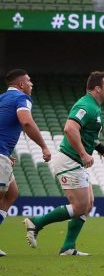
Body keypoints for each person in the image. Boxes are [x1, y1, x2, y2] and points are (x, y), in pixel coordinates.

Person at [24, 71, 104, 256]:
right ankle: (36, 222)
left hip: (75, 161)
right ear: (97, 88)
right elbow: (70, 128)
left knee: (88, 204)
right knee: (80, 206)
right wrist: (83, 153)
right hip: (69, 160)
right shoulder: (86, 105)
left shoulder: (94, 107)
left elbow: (87, 136)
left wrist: (103, 151)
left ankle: (68, 247)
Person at [0, 70, 51, 256]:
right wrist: (44, 146)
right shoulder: (22, 98)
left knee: (11, 193)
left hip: (3, 152)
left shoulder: (2, 98)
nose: (32, 84)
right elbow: (27, 122)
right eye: (29, 81)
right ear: (21, 84)